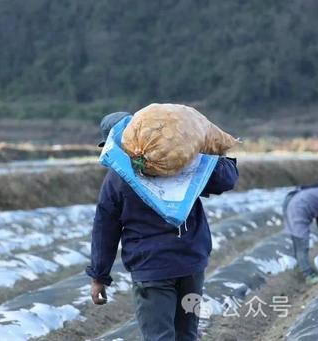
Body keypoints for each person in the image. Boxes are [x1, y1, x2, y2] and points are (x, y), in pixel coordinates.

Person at [87, 112, 239, 341]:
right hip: (191, 263)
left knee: (160, 337)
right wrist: (208, 152)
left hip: (152, 270)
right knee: (186, 335)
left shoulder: (116, 179)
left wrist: (99, 276)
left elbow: (105, 229)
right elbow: (227, 179)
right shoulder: (180, 162)